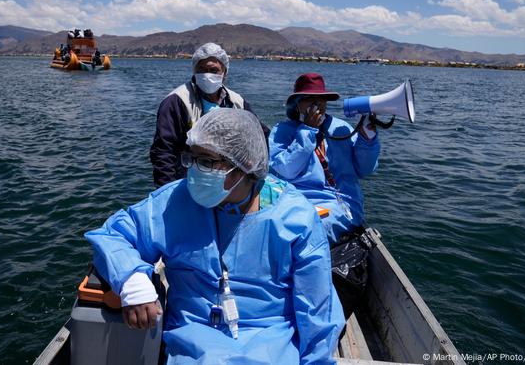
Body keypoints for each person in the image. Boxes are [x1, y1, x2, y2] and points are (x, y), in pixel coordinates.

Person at [86, 108, 344, 364]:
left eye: (207, 162)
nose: (193, 171)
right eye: (191, 158)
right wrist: (131, 278)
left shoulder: (295, 217)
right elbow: (114, 235)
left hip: (271, 339)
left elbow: (316, 306)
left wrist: (316, 361)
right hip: (192, 339)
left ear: (246, 164)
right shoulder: (174, 201)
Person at [268, 73, 380, 244]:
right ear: (297, 104)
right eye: (309, 99)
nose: (316, 104)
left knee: (306, 229)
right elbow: (286, 170)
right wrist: (307, 131)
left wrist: (368, 139)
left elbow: (364, 169)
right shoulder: (282, 131)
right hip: (296, 201)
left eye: (321, 99)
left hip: (341, 204)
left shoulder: (341, 128)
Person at [150, 42, 270, 188]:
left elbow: (259, 135)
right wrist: (166, 189)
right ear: (194, 71)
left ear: (224, 73)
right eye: (202, 70)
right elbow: (163, 151)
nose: (207, 75)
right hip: (189, 180)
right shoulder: (176, 102)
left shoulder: (237, 102)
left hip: (227, 181)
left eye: (214, 70)